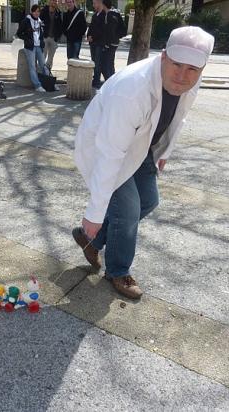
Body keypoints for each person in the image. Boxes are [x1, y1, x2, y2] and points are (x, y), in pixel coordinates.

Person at [72, 26, 214, 299]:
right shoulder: (132, 90)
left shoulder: (190, 82)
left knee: (148, 201)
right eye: (176, 65)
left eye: (192, 69)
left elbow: (177, 116)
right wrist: (94, 212)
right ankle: (118, 270)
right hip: (106, 146)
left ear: (202, 68)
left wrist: (163, 153)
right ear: (163, 57)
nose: (182, 76)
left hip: (142, 145)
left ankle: (92, 239)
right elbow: (110, 152)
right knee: (127, 210)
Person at [16, 4, 51, 93]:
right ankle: (37, 85)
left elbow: (41, 34)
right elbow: (19, 33)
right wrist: (27, 39)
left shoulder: (40, 21)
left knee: (43, 65)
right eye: (35, 11)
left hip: (39, 46)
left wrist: (42, 41)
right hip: (30, 47)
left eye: (38, 11)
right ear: (32, 12)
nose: (36, 13)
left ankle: (49, 83)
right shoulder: (26, 21)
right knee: (32, 66)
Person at [100, 0, 126, 81]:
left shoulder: (109, 15)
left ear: (104, 5)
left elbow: (110, 31)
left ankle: (110, 83)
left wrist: (107, 44)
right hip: (115, 42)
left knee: (104, 65)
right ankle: (113, 82)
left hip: (110, 44)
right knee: (110, 64)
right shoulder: (115, 14)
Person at [87, 0, 105, 88]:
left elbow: (102, 30)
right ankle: (95, 79)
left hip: (99, 43)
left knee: (98, 63)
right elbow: (90, 27)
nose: (93, 5)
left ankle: (97, 81)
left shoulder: (104, 15)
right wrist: (88, 36)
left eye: (94, 3)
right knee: (94, 62)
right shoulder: (94, 15)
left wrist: (93, 37)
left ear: (99, 3)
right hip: (92, 43)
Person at [40, 0, 62, 70]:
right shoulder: (43, 11)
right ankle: (41, 72)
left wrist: (58, 37)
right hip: (45, 38)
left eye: (56, 1)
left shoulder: (58, 12)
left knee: (50, 59)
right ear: (49, 1)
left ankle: (47, 73)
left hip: (54, 39)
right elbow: (39, 23)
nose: (54, 2)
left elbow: (60, 26)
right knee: (42, 56)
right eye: (53, 0)